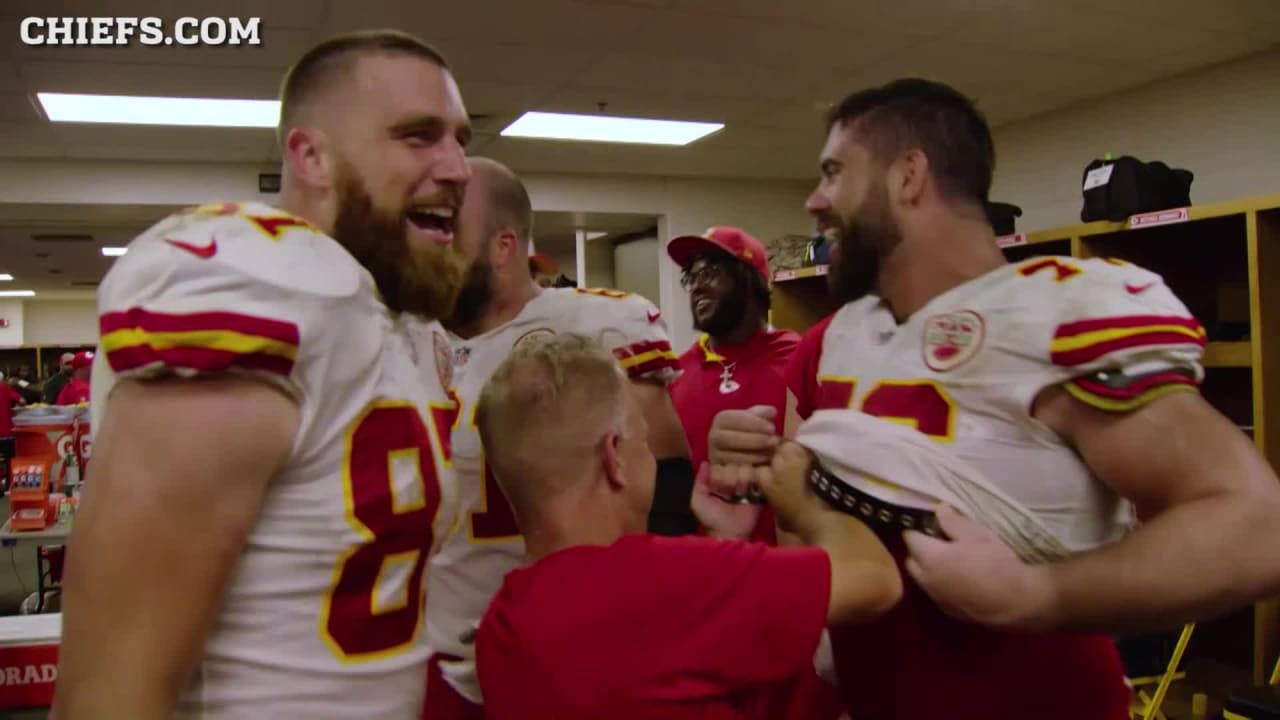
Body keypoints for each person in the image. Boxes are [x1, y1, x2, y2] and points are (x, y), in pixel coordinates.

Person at [708, 77, 1280, 720]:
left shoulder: (1053, 318)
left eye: (834, 172)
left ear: (908, 175)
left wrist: (1040, 595)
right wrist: (750, 470)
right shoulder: (829, 342)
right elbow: (809, 537)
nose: (815, 200)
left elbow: (1257, 528)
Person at [52, 29, 471, 720]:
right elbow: (108, 694)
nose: (457, 166)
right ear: (311, 156)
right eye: (418, 136)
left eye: (461, 138)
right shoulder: (253, 283)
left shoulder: (389, 317)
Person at [472, 333, 901, 720]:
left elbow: (676, 672)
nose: (652, 455)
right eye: (643, 438)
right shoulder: (664, 582)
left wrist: (723, 538)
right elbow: (874, 578)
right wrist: (807, 503)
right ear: (614, 457)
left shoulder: (498, 631)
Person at [421, 157, 692, 719]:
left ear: (502, 247)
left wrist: (642, 628)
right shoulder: (413, 338)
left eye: (450, 231)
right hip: (437, 653)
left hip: (568, 652)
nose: (433, 245)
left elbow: (666, 479)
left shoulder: (593, 324)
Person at [666, 226, 799, 544]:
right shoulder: (676, 375)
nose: (697, 286)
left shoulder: (797, 360)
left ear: (750, 281)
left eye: (710, 272)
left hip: (781, 568)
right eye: (692, 276)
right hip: (706, 568)